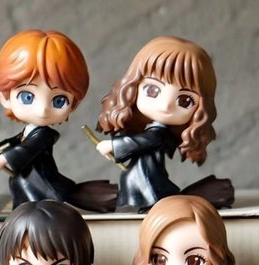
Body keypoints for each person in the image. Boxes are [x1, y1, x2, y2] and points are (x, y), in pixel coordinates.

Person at [96, 36, 232, 212]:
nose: (166, 105)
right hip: (147, 182)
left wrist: (113, 146)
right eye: (153, 90)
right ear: (133, 86)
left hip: (150, 185)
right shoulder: (156, 132)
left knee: (155, 209)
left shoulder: (158, 134)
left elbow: (143, 141)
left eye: (185, 100)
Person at [0, 29, 117, 212]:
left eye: (58, 100)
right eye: (27, 97)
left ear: (74, 103)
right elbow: (19, 142)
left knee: (36, 214)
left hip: (41, 187)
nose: (43, 110)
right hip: (28, 185)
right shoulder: (29, 132)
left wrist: (4, 158)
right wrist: (0, 149)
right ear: (5, 97)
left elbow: (27, 149)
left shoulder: (45, 135)